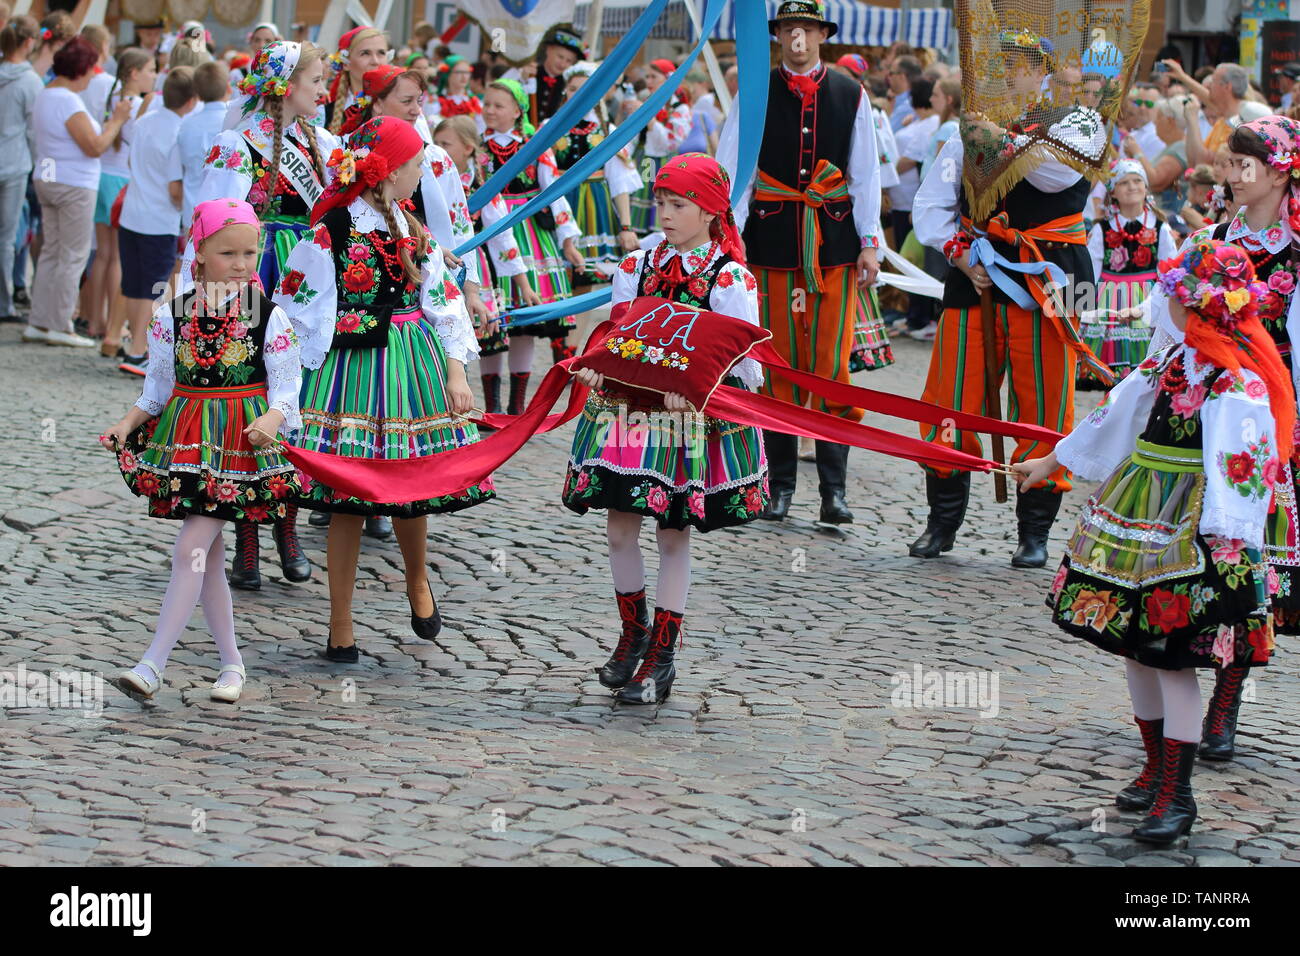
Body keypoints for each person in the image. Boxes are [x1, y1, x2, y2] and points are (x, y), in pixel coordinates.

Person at [1015, 240, 1286, 844]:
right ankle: (1155, 767)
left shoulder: (1234, 380)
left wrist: (1228, 541)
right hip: (1139, 506)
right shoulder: (1173, 361)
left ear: (1197, 310)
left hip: (1192, 525)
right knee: (1135, 647)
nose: (1159, 303)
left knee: (1171, 656)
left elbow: (1241, 466)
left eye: (1171, 297)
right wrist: (1052, 460)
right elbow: (1115, 412)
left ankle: (1179, 793)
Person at [273, 117, 494, 662]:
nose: (422, 176)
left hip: (406, 365)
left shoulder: (413, 230)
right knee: (345, 496)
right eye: (417, 166)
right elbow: (294, 306)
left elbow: (441, 300)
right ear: (390, 171)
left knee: (408, 484)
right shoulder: (332, 231)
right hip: (347, 372)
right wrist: (293, 379)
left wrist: (457, 371)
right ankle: (339, 623)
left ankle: (417, 579)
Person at [566, 153, 768, 704]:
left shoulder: (729, 278)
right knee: (618, 529)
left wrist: (701, 392)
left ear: (710, 211)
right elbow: (618, 335)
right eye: (662, 203)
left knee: (672, 533)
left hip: (685, 424)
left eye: (680, 205)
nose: (668, 214)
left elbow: (745, 363)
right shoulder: (635, 266)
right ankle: (632, 634)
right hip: (630, 415)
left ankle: (663, 653)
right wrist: (597, 362)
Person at [908, 28, 1106, 567]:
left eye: (1023, 64)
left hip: (1046, 280)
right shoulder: (963, 129)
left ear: (1044, 72)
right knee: (951, 396)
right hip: (974, 277)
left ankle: (1034, 530)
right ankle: (941, 521)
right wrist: (962, 256)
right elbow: (931, 204)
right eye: (1003, 64)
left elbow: (1051, 175)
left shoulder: (1078, 122)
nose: (1012, 74)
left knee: (1043, 399)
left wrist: (992, 136)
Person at [104, 199, 303, 704]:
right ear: (200, 254)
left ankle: (153, 663)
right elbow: (158, 387)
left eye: (249, 253)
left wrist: (274, 418)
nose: (241, 264)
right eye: (228, 253)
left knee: (190, 549)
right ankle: (233, 665)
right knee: (208, 559)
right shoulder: (172, 312)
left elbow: (287, 386)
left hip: (238, 448)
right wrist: (129, 423)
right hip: (187, 443)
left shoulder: (268, 316)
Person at [1146, 116, 1300, 765]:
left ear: (1280, 171)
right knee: (1203, 554)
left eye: (1245, 165)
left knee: (1248, 564)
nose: (1232, 176)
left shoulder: (1296, 250)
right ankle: (1194, 693)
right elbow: (1170, 321)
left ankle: (1229, 692)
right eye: (1230, 163)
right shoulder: (1207, 241)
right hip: (1206, 421)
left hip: (1272, 426)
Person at [716, 0, 886, 525]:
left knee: (832, 368)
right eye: (790, 29)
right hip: (769, 244)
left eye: (806, 30)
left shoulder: (849, 92)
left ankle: (834, 492)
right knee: (779, 367)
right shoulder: (756, 91)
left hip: (832, 247)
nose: (798, 38)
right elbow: (733, 169)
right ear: (779, 36)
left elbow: (865, 173)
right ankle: (779, 486)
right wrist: (728, 234)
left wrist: (870, 240)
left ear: (821, 36)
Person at [196, 39, 337, 589]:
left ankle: (287, 526)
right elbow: (215, 221)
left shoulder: (321, 142)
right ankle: (248, 541)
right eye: (316, 80)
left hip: (308, 277)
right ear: (286, 85)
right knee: (248, 400)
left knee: (295, 397)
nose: (324, 91)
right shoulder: (237, 143)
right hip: (254, 271)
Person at [479, 77, 583, 413]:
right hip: (488, 235)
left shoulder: (536, 145)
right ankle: (491, 407)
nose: (490, 111)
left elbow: (555, 191)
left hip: (529, 235)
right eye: (487, 104)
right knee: (492, 322)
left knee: (524, 321)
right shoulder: (477, 146)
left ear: (517, 110)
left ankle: (516, 406)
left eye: (498, 105)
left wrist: (568, 241)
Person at [24, 37, 133, 349]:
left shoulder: (46, 94)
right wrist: (117, 121)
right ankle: (59, 323)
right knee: (72, 255)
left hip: (48, 177)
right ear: (82, 70)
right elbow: (95, 146)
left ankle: (40, 319)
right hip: (73, 182)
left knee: (52, 251)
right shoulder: (69, 101)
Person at [434, 115, 537, 418]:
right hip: (438, 268)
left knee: (481, 337)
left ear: (467, 149)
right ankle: (468, 403)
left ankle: (501, 407)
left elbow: (503, 235)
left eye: (445, 144)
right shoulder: (428, 179)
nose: (437, 150)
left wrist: (524, 285)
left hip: (475, 268)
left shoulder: (482, 186)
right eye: (436, 143)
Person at [116, 66, 197, 379]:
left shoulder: (145, 120)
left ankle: (134, 347)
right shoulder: (179, 131)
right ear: (191, 100)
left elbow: (129, 161)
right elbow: (175, 188)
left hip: (132, 214)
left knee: (134, 285)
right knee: (156, 288)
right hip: (160, 219)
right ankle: (142, 350)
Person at [1077, 159, 1177, 388]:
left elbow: (1168, 271)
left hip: (1148, 296)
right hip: (1110, 297)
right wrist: (1082, 308)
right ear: (1113, 192)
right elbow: (1090, 270)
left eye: (1137, 181)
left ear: (1146, 187)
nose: (1132, 187)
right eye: (1124, 183)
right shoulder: (1102, 228)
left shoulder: (1161, 228)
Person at [85, 48, 155, 356]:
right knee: (117, 260)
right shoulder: (138, 105)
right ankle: (115, 324)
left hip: (102, 177)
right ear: (134, 73)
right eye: (151, 70)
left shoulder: (109, 100)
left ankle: (95, 319)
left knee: (102, 255)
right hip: (121, 181)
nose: (154, 76)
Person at [552, 60, 641, 269]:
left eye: (586, 90)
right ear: (565, 92)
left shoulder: (607, 130)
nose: (579, 95)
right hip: (559, 202)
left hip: (595, 204)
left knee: (593, 271)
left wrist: (626, 226)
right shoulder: (550, 128)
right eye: (573, 89)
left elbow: (620, 182)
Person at [0, 15, 42, 324]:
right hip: (13, 163)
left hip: (14, 161)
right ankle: (4, 303)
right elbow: (34, 132)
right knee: (6, 235)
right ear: (29, 43)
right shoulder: (30, 81)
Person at [890, 77, 939, 337]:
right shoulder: (921, 122)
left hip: (910, 200)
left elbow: (915, 160)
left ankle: (919, 317)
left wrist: (886, 173)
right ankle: (914, 315)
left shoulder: (932, 125)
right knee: (908, 257)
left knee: (916, 260)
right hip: (904, 200)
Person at [629, 58, 692, 235]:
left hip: (662, 162)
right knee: (637, 196)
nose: (648, 81)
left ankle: (658, 239)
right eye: (647, 76)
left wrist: (650, 119)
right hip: (641, 158)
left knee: (659, 198)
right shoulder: (646, 101)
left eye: (653, 77)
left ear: (667, 79)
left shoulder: (680, 108)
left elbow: (671, 142)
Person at [177, 60, 231, 232]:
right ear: (228, 89)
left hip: (192, 208)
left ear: (197, 94)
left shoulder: (186, 123)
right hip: (223, 212)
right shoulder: (233, 121)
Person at [324, 26, 389, 135]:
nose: (376, 61)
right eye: (365, 53)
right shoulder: (324, 113)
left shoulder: (403, 105)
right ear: (345, 63)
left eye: (381, 53)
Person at [426, 54, 482, 133]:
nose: (464, 76)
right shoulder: (436, 101)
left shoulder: (474, 102)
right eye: (459, 72)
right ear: (448, 75)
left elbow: (481, 130)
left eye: (467, 72)